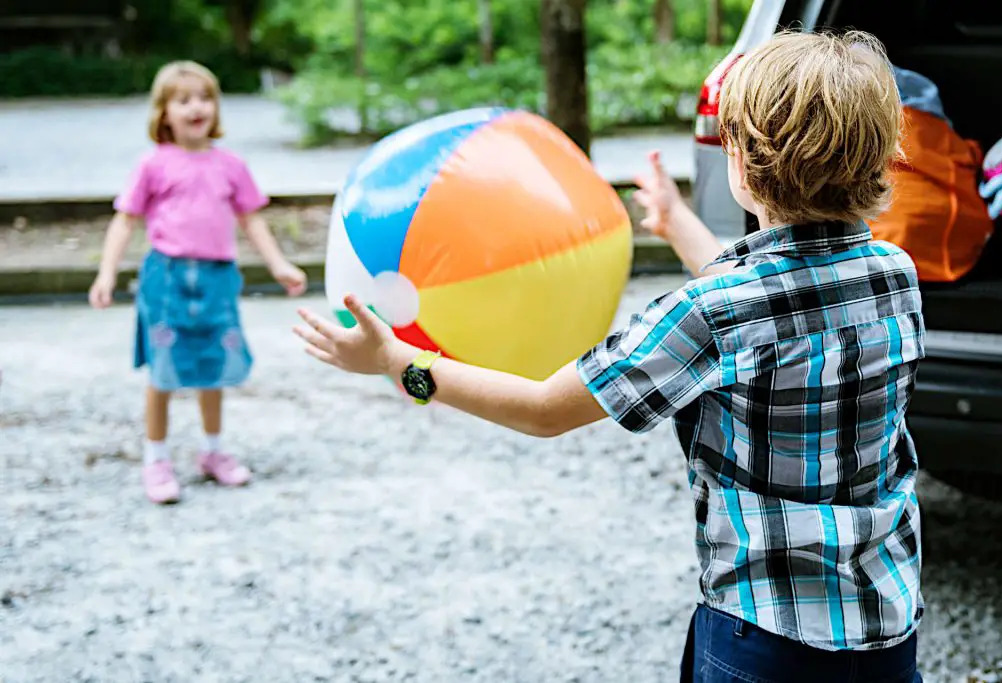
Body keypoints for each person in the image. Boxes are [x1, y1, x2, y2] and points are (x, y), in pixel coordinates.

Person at [294, 31, 924, 683]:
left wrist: (400, 363)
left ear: (742, 162)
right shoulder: (893, 276)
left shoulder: (711, 312)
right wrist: (677, 220)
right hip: (884, 625)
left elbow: (544, 409)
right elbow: (785, 302)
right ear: (881, 159)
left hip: (763, 637)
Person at [89, 61, 308, 505]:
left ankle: (212, 451)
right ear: (163, 112)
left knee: (214, 366)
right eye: (183, 99)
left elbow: (252, 220)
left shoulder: (231, 165)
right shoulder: (153, 165)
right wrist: (106, 271)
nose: (196, 107)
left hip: (217, 279)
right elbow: (124, 221)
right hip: (166, 279)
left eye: (205, 97)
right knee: (164, 371)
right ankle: (156, 458)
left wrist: (279, 265)